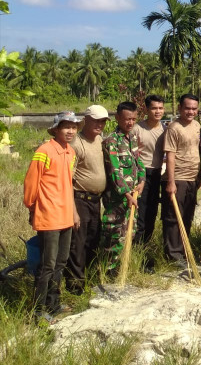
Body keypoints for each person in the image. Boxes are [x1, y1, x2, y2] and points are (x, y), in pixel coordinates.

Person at [24, 111, 82, 322]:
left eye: (74, 127)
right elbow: (31, 184)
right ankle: (38, 311)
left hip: (65, 215)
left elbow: (69, 186)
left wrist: (73, 212)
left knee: (61, 262)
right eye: (66, 126)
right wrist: (32, 208)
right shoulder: (44, 151)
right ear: (56, 129)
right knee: (47, 265)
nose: (70, 130)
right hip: (48, 216)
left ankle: (54, 303)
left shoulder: (70, 152)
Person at [66, 105, 109, 294]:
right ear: (86, 120)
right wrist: (73, 210)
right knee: (78, 243)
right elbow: (68, 178)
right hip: (79, 198)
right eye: (96, 120)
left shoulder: (100, 140)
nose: (100, 125)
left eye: (103, 121)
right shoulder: (76, 143)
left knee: (92, 240)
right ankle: (75, 286)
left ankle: (89, 279)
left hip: (95, 200)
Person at [101, 102, 145, 270]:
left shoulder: (132, 138)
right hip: (118, 199)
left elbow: (139, 162)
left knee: (129, 233)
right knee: (114, 235)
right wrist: (126, 194)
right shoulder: (111, 141)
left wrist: (141, 181)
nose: (130, 123)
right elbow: (114, 171)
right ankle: (108, 271)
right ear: (118, 118)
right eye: (127, 119)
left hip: (133, 197)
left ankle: (122, 268)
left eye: (134, 119)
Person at [162, 94, 201, 264]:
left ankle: (185, 250)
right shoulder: (174, 128)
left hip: (192, 178)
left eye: (194, 108)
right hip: (177, 178)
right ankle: (173, 254)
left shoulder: (197, 126)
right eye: (187, 108)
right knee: (173, 218)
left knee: (187, 216)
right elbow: (170, 156)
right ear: (180, 108)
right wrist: (170, 182)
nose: (190, 111)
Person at [133, 94, 166, 245]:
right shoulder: (137, 129)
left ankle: (146, 248)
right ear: (146, 109)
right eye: (154, 108)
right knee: (141, 214)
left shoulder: (165, 129)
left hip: (157, 173)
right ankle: (137, 248)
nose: (157, 111)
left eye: (160, 108)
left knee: (152, 212)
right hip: (141, 173)